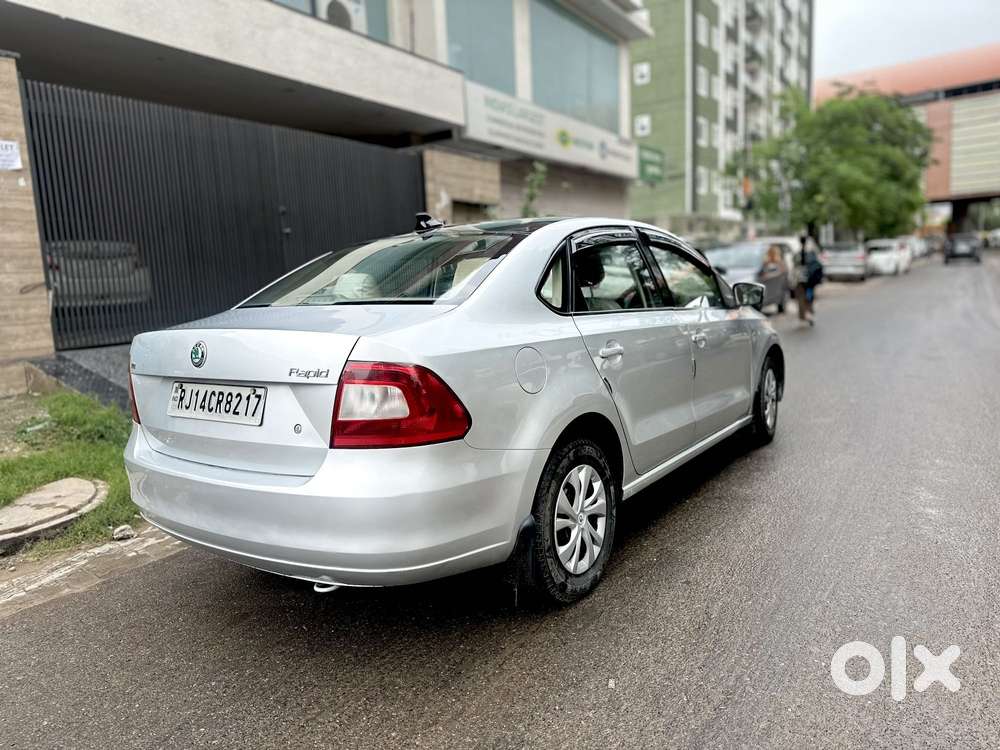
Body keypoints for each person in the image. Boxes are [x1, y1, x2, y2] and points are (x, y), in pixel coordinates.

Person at [795, 234, 823, 326]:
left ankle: (804, 314)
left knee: (801, 297)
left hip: (800, 278)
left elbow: (795, 265)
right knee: (809, 296)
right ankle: (809, 313)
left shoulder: (798, 253)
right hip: (810, 279)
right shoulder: (812, 252)